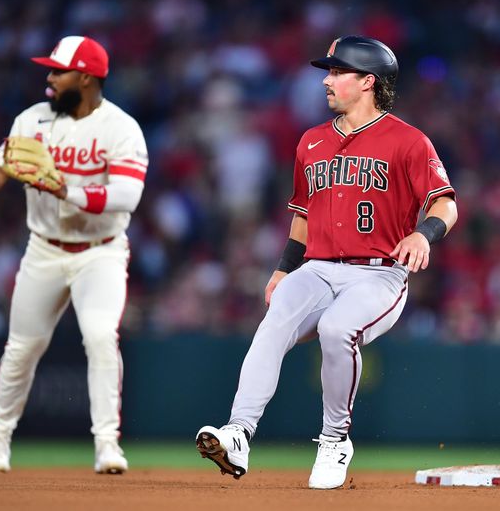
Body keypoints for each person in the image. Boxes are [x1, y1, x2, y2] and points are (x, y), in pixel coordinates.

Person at [196, 35, 458, 489]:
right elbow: (302, 219)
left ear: (368, 82)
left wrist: (423, 233)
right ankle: (238, 433)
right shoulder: (310, 141)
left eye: (338, 72)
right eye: (329, 71)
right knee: (274, 320)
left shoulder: (408, 140)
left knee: (338, 330)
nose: (327, 81)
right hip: (316, 268)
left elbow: (446, 205)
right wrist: (282, 268)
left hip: (377, 274)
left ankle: (335, 440)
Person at [0, 36, 148, 474]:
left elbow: (127, 195)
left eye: (58, 70)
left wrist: (64, 189)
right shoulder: (32, 120)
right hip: (44, 250)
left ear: (86, 77)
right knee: (22, 348)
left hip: (101, 253)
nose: (49, 78)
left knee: (100, 336)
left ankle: (107, 444)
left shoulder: (121, 128)